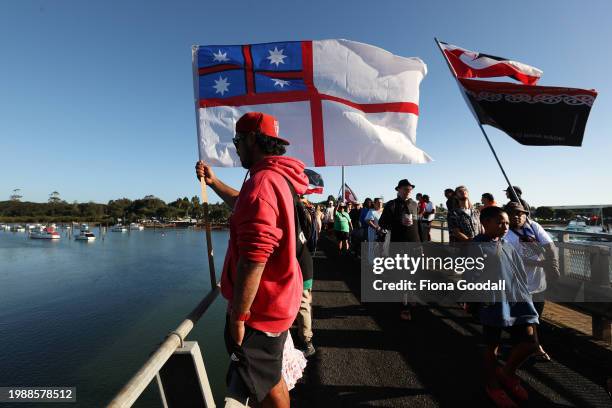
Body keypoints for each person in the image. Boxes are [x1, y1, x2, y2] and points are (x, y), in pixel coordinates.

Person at [195, 112, 308, 408]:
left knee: (262, 380)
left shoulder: (261, 185)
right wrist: (215, 181)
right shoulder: (277, 178)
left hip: (260, 310)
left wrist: (238, 317)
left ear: (251, 140)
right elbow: (245, 202)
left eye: (237, 141)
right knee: (268, 373)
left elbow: (253, 260)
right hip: (280, 299)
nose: (235, 148)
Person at [469, 206, 540, 407]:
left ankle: (507, 372)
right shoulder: (477, 246)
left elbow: (519, 272)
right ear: (485, 223)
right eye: (500, 222)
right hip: (493, 303)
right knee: (492, 346)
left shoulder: (507, 245)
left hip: (519, 301)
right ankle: (493, 385)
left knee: (530, 343)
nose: (505, 226)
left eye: (507, 223)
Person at [505, 202, 560, 362]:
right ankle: (532, 349)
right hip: (518, 284)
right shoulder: (505, 233)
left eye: (520, 213)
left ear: (525, 214)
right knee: (525, 320)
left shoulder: (533, 226)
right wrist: (541, 264)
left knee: (535, 317)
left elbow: (550, 245)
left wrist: (553, 265)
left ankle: (531, 347)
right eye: (512, 213)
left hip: (538, 283)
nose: (517, 216)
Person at [379, 179, 421, 320]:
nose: (408, 190)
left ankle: (410, 296)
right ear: (398, 189)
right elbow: (382, 223)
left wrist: (422, 244)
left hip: (414, 245)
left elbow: (418, 225)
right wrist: (398, 221)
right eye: (405, 188)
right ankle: (404, 307)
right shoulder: (392, 204)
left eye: (410, 188)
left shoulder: (415, 204)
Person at [364, 198, 385, 264]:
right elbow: (367, 221)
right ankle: (372, 264)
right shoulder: (372, 211)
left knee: (381, 249)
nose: (380, 204)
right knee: (373, 248)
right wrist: (376, 228)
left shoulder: (384, 211)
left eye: (381, 202)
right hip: (373, 234)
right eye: (378, 202)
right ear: (375, 203)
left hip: (383, 234)